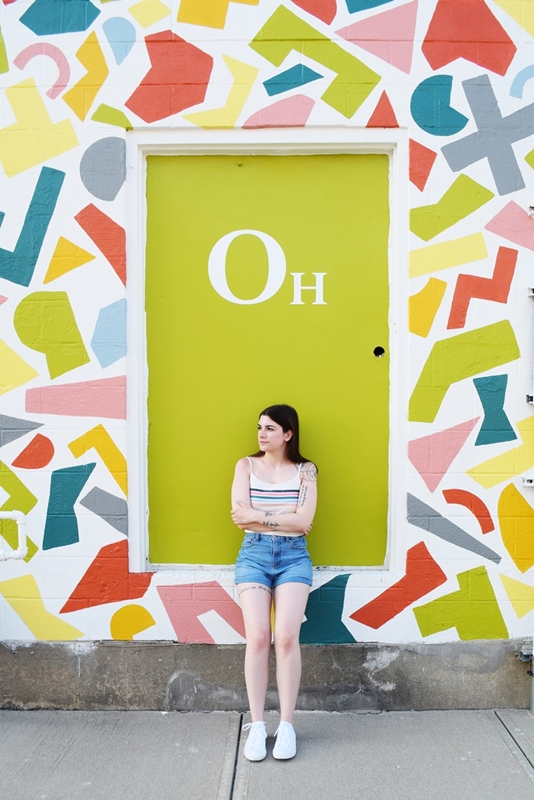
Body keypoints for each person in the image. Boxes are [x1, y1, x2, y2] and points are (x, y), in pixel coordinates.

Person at [231, 404, 317, 762]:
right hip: (253, 556)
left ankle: (286, 726)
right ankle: (256, 726)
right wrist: (284, 519)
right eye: (259, 428)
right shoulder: (245, 466)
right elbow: (240, 516)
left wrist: (260, 516)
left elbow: (305, 521)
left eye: (269, 428)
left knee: (285, 637)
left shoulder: (306, 471)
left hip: (294, 558)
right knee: (258, 638)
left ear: (288, 434)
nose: (261, 434)